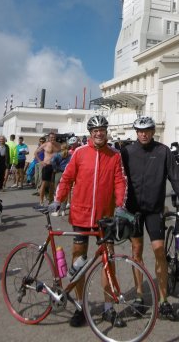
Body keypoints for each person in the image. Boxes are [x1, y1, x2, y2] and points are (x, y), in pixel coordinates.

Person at [49, 115, 127, 328]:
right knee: (78, 263)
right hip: (81, 215)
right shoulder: (80, 153)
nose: (99, 133)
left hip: (106, 217)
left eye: (102, 129)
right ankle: (80, 307)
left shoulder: (115, 155)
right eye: (95, 130)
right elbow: (66, 178)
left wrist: (120, 205)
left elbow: (120, 181)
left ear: (106, 131)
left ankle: (108, 308)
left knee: (108, 261)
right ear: (90, 133)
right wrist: (58, 200)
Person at [121, 116, 179, 321]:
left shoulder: (163, 152)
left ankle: (163, 301)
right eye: (140, 131)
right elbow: (117, 179)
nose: (143, 134)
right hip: (133, 210)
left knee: (159, 251)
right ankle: (138, 296)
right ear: (136, 132)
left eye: (147, 131)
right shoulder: (127, 152)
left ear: (153, 132)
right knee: (136, 253)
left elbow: (175, 178)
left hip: (154, 210)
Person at [36, 132, 61, 206]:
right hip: (46, 165)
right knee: (44, 184)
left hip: (54, 166)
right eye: (51, 137)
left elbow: (62, 155)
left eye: (54, 137)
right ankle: (41, 200)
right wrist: (40, 161)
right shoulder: (45, 144)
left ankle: (50, 200)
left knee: (52, 184)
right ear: (49, 138)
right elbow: (35, 153)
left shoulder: (58, 145)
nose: (53, 139)